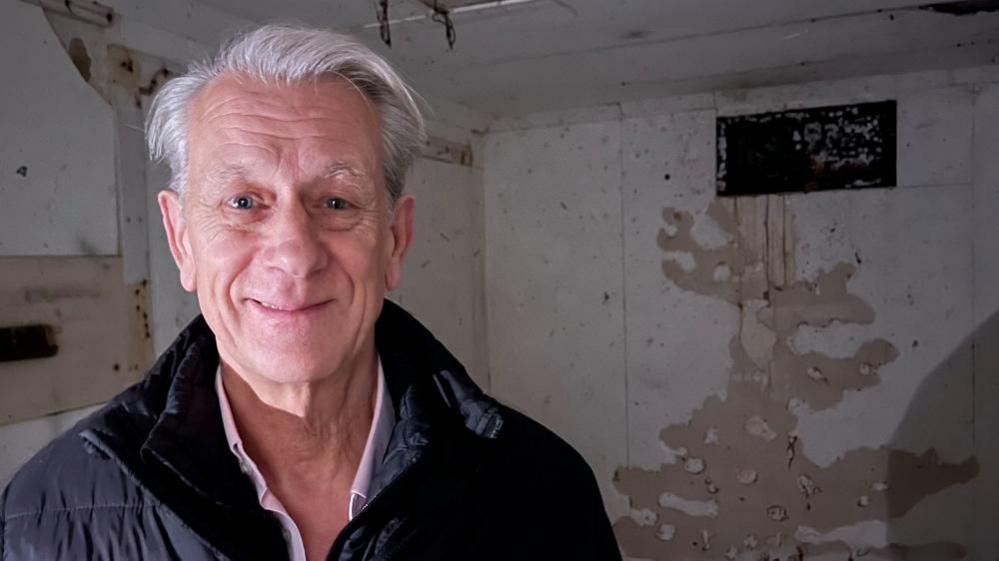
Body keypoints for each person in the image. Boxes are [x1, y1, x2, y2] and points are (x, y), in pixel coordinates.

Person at [0, 24, 621, 561]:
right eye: (243, 202)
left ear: (395, 240)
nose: (294, 253)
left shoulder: (541, 489)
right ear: (182, 239)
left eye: (335, 201)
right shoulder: (44, 514)